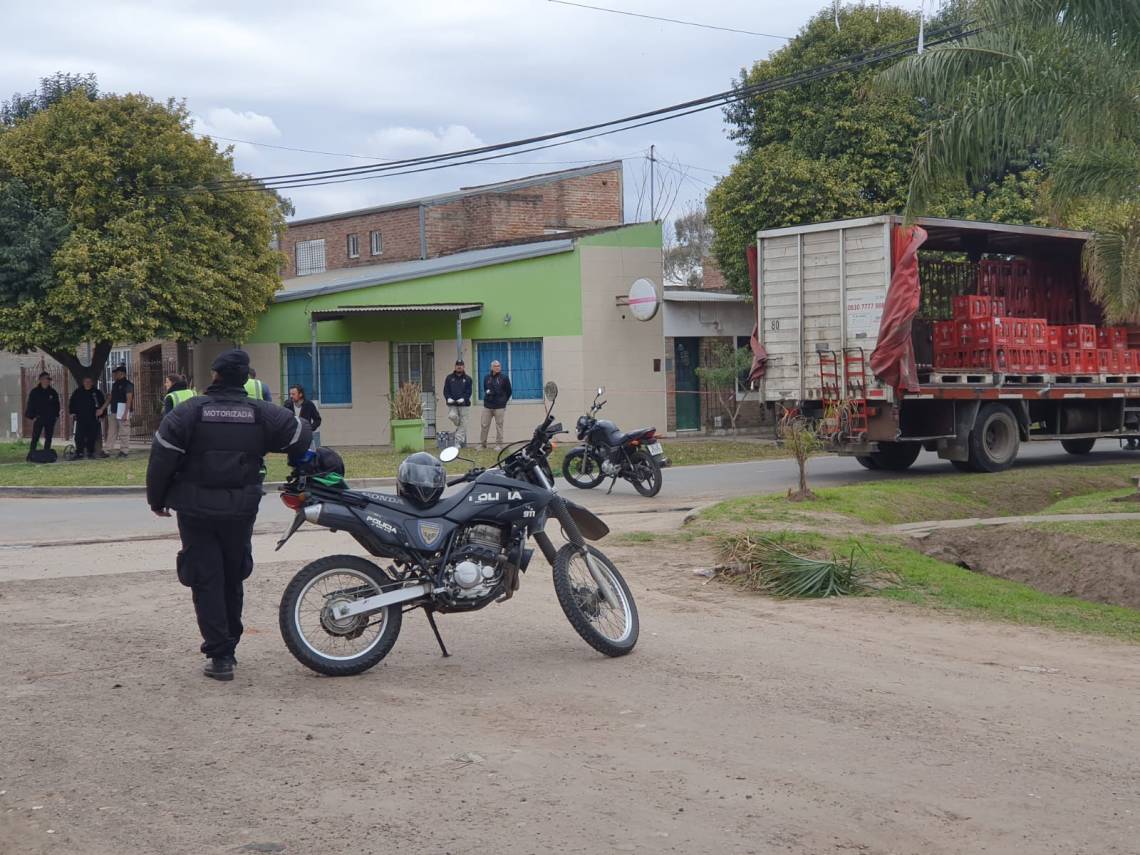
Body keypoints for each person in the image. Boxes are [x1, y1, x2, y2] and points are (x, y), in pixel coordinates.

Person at [146, 349, 312, 682]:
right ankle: (230, 644)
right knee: (232, 574)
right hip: (240, 510)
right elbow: (301, 434)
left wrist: (157, 499)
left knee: (205, 576)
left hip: (195, 511)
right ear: (246, 379)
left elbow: (161, 457)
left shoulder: (189, 412)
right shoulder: (261, 413)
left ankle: (220, 655)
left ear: (216, 376)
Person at [69, 376, 105, 459]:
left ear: (92, 383)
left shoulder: (96, 392)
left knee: (92, 436)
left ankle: (90, 452)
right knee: (79, 436)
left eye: (89, 381)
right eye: (86, 381)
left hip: (93, 418)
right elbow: (72, 402)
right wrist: (72, 412)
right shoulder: (78, 392)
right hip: (81, 418)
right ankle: (79, 452)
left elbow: (102, 404)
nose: (87, 383)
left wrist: (102, 415)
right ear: (83, 382)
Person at [24, 372, 60, 453]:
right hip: (39, 417)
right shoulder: (35, 392)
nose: (47, 381)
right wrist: (32, 416)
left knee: (49, 437)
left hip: (50, 418)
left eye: (48, 379)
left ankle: (46, 453)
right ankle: (32, 453)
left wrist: (56, 416)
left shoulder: (53, 392)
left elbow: (57, 405)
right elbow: (31, 404)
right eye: (46, 379)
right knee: (35, 436)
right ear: (41, 380)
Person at [480, 359, 512, 450]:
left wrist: (503, 401)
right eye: (495, 366)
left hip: (499, 406)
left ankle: (499, 444)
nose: (497, 368)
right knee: (484, 424)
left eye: (499, 366)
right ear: (491, 367)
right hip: (488, 406)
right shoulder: (487, 377)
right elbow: (485, 388)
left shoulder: (504, 378)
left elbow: (509, 391)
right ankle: (483, 444)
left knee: (499, 425)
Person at [442, 359, 473, 446]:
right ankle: (459, 424)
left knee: (464, 424)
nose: (459, 367)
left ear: (463, 367)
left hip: (464, 405)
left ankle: (457, 442)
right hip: (453, 404)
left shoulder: (468, 379)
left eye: (461, 365)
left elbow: (469, 392)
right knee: (452, 416)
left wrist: (464, 398)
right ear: (455, 366)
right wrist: (448, 398)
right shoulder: (449, 378)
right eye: (457, 365)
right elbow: (446, 390)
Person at [106, 364, 134, 458]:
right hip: (114, 410)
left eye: (116, 373)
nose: (114, 375)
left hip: (123, 410)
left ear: (122, 373)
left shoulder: (128, 384)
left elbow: (129, 399)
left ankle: (124, 450)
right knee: (111, 431)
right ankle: (108, 449)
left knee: (124, 431)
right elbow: (111, 397)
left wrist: (126, 413)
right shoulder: (115, 384)